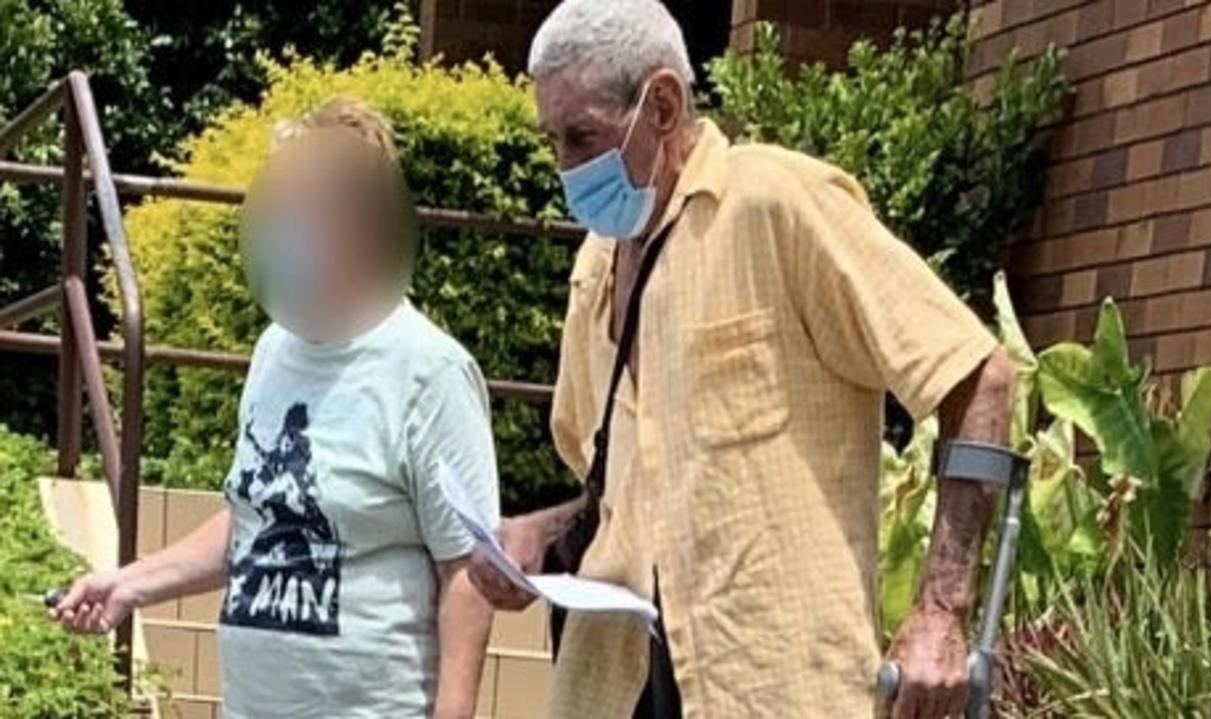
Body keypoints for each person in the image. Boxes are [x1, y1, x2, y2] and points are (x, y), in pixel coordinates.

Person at [467, 1, 1016, 718]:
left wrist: (941, 610)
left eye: (582, 137)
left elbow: (976, 375)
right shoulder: (595, 266)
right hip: (616, 683)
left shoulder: (773, 202)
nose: (566, 168)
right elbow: (625, 493)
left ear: (661, 104)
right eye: (554, 141)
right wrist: (535, 534)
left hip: (768, 687)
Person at [53, 98, 500, 719]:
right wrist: (129, 583)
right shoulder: (274, 352)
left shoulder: (429, 371)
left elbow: (468, 571)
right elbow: (254, 520)